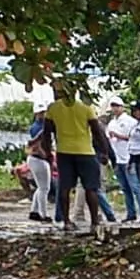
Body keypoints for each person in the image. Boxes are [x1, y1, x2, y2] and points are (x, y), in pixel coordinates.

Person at [44, 80, 107, 228]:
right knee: (91, 188)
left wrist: (48, 152)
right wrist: (104, 151)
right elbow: (97, 132)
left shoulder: (52, 109)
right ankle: (95, 222)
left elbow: (46, 134)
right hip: (85, 152)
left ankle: (66, 221)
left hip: (64, 152)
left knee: (65, 188)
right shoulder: (86, 107)